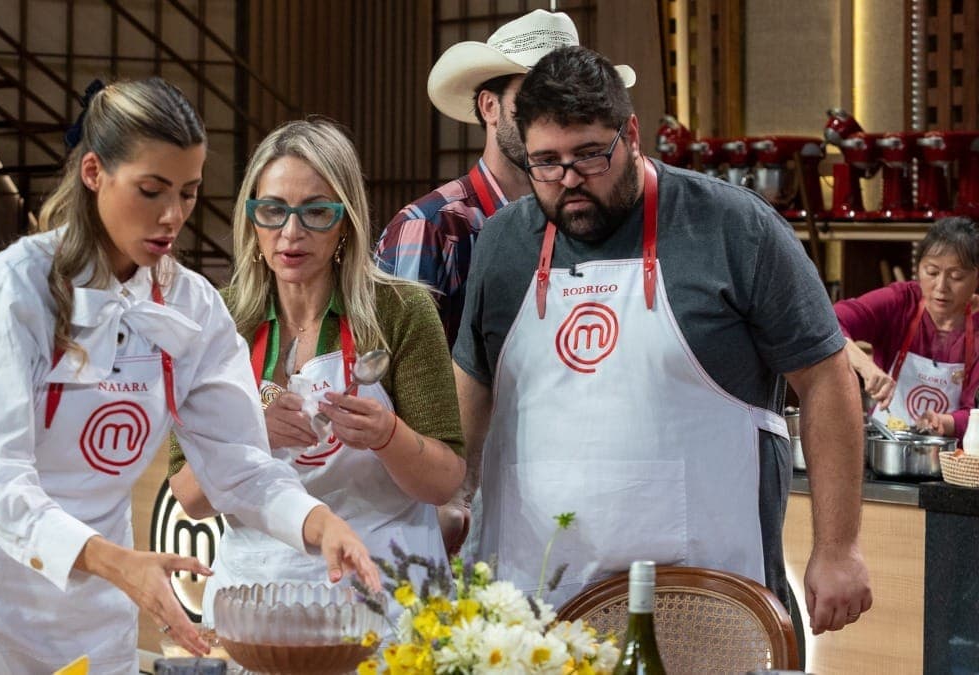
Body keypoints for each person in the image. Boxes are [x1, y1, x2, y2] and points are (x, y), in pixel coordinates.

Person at [0, 79, 379, 674]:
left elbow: (238, 462)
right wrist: (115, 560)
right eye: (151, 190)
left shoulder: (193, 305)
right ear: (93, 173)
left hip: (99, 604)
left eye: (187, 193)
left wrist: (319, 523)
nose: (172, 216)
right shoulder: (13, 288)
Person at [450, 45, 873, 643]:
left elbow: (827, 379)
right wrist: (453, 500)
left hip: (708, 598)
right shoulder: (501, 243)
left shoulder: (734, 227)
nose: (568, 180)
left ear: (631, 133)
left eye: (589, 156)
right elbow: (473, 392)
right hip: (532, 602)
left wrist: (838, 547)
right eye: (546, 163)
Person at [169, 119, 465, 624]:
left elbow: (444, 483)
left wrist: (387, 434)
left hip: (388, 589)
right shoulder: (218, 322)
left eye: (316, 212)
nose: (291, 232)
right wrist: (249, 433)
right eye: (273, 210)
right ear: (251, 219)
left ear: (346, 219)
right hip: (258, 594)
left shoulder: (401, 311)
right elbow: (191, 499)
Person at [375, 9, 634, 553]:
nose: (553, 110)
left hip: (565, 492)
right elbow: (393, 388)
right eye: (534, 95)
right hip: (454, 501)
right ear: (488, 107)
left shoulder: (589, 224)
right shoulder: (432, 228)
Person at [834, 216, 979, 438]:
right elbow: (830, 321)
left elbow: (976, 413)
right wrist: (865, 366)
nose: (941, 287)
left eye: (956, 276)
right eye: (931, 272)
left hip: (953, 461)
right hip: (885, 448)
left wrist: (948, 422)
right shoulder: (900, 302)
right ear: (919, 268)